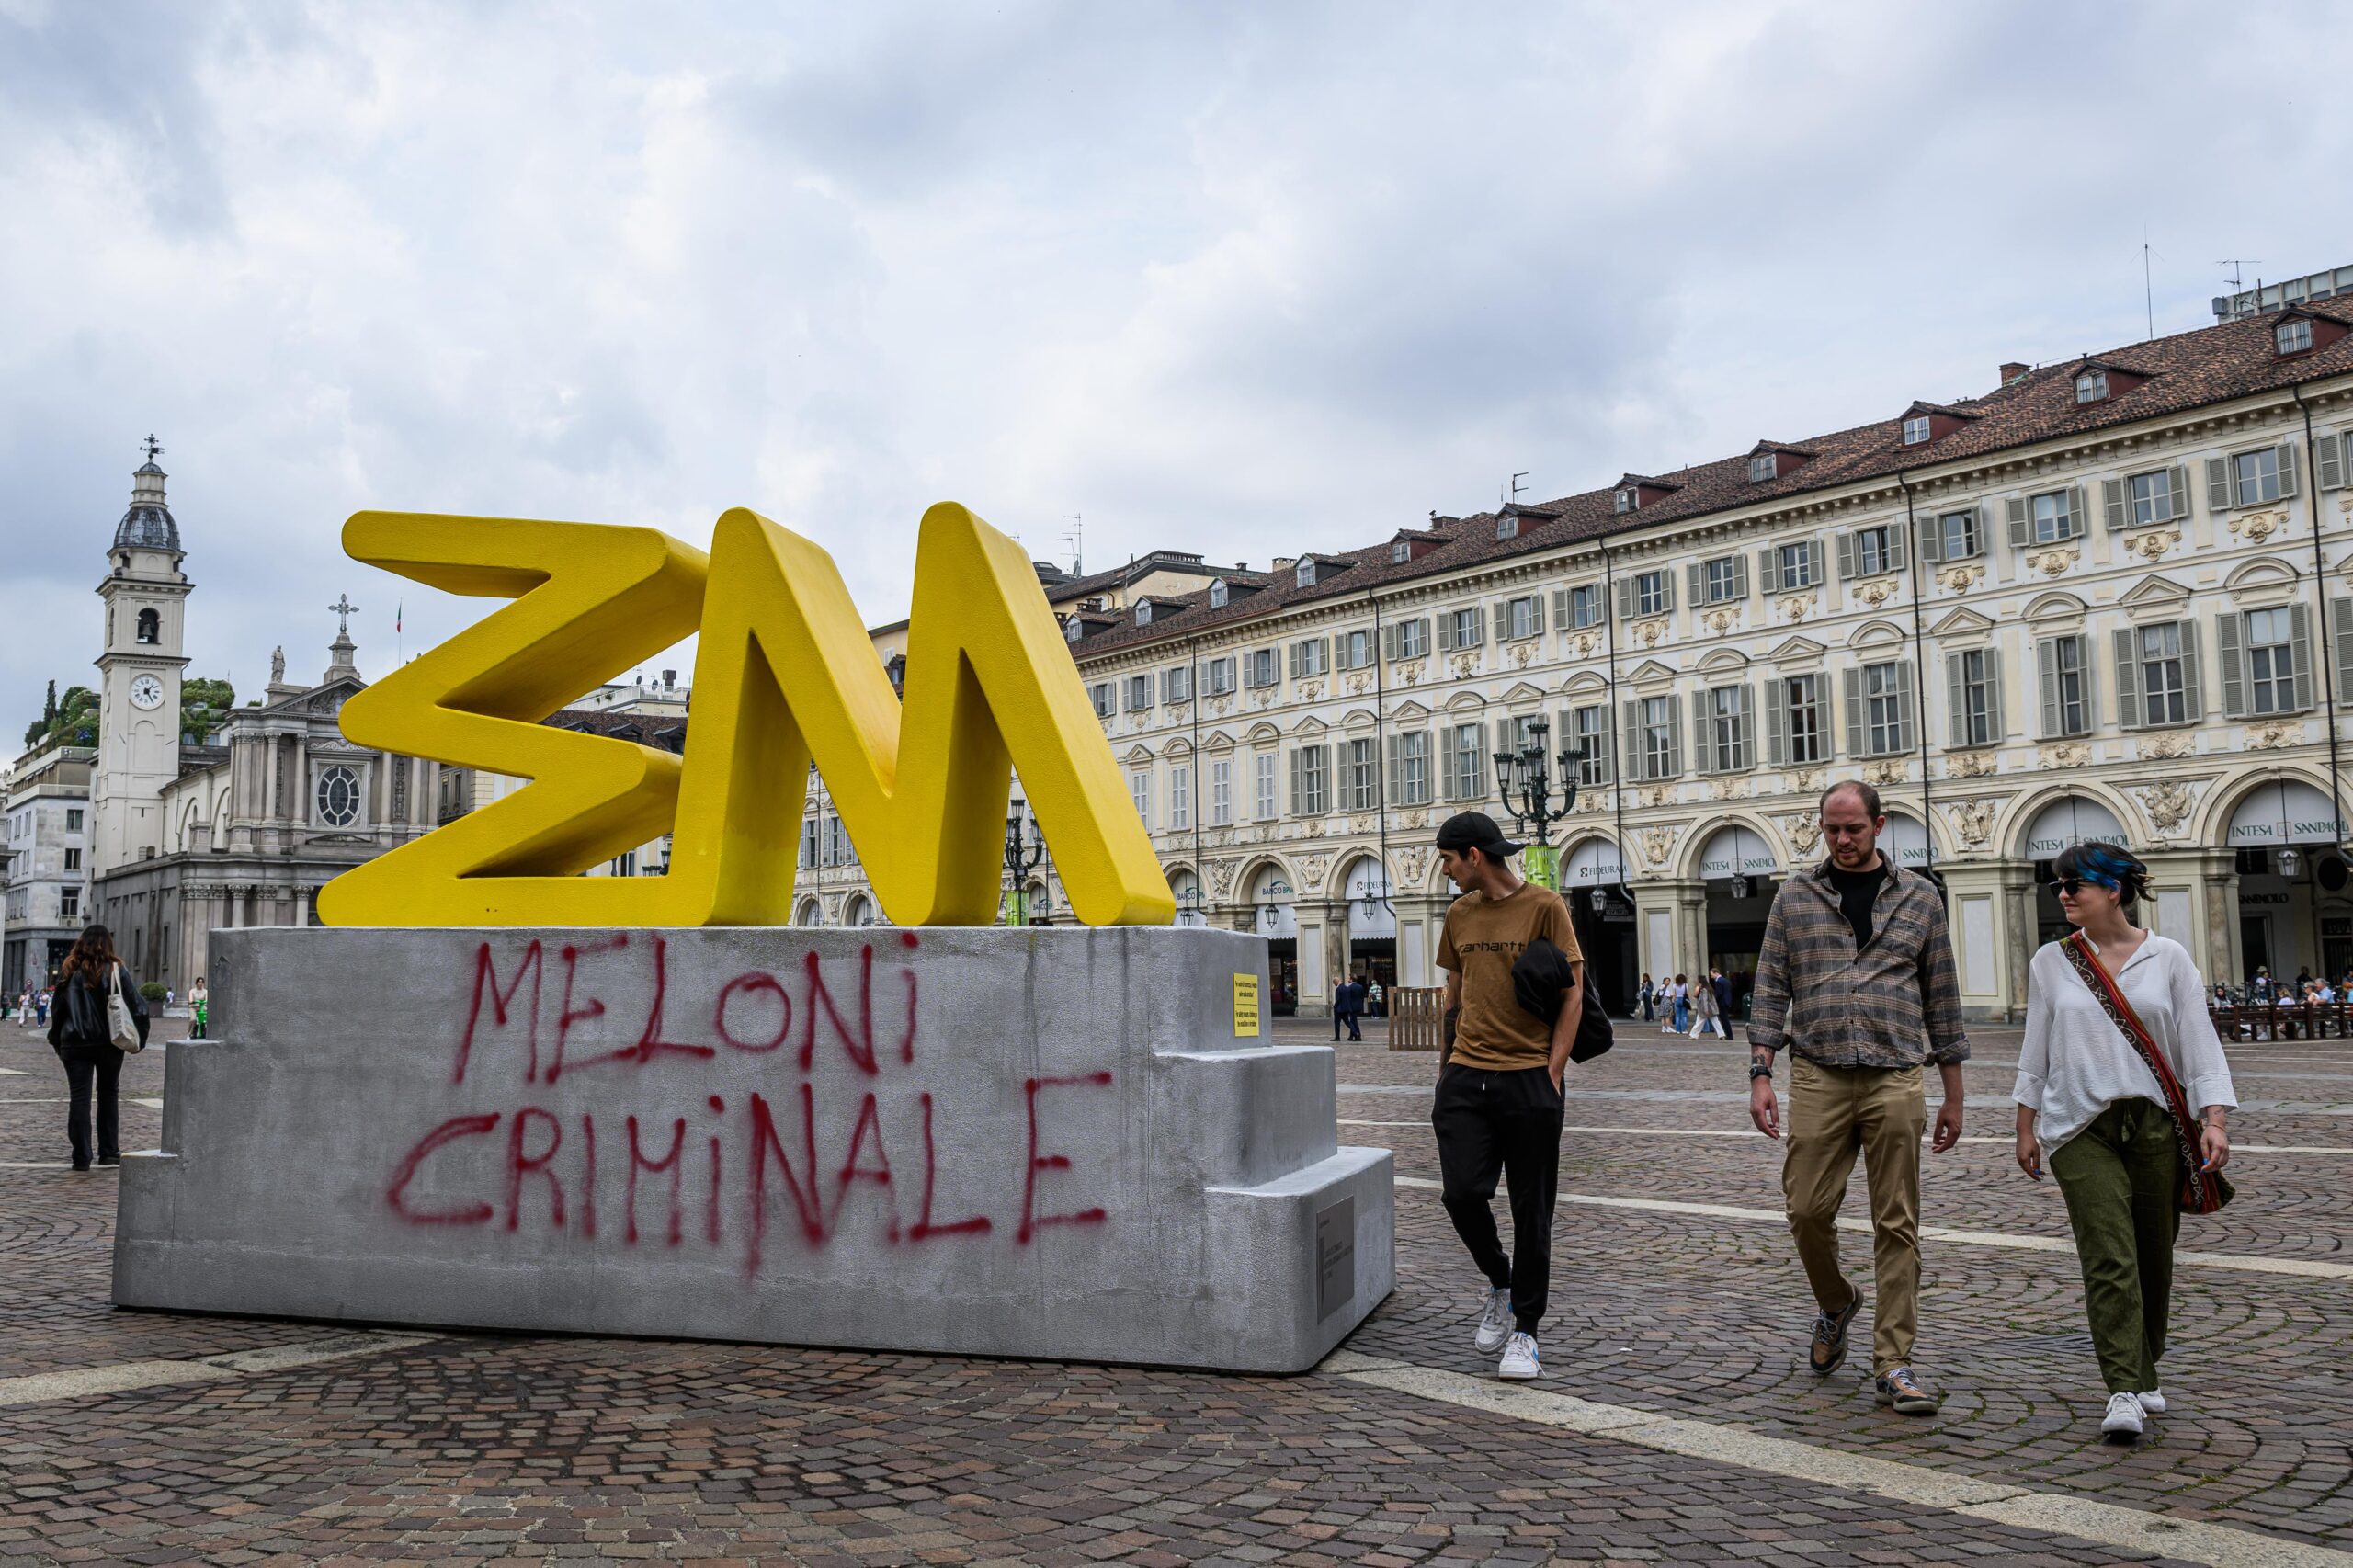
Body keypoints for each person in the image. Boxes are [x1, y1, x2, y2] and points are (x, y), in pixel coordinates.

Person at [1749, 780, 1968, 1416]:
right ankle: (1838, 1301)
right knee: (1806, 1209)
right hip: (1817, 1071)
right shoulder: (1795, 895)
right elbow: (1769, 987)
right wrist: (1761, 1073)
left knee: (1897, 1222)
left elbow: (1943, 1000)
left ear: (1879, 825)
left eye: (1854, 829)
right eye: (1832, 829)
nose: (1842, 841)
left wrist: (1953, 1095)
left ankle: (1894, 1363)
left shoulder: (1921, 897)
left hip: (1896, 1072)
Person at [2015, 843, 2234, 1442]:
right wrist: (2025, 1122)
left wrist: (2213, 1118)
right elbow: (2036, 1045)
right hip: (2079, 1128)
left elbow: (2198, 1041)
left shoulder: (2168, 958)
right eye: (2057, 883)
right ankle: (2122, 1388)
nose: (2062, 893)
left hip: (2156, 1125)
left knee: (2152, 1254)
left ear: (2114, 890)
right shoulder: (2051, 962)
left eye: (2075, 883)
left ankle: (2145, 1364)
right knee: (2109, 1252)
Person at [1430, 810, 1583, 1381]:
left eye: (1448, 859)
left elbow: (1573, 993)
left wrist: (1553, 1071)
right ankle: (1501, 1281)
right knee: (1461, 1194)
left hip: (1528, 1078)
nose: (1444, 871)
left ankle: (1526, 1331)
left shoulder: (1544, 906)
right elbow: (1454, 991)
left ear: (1474, 855)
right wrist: (1444, 1070)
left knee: (1530, 1209)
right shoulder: (1459, 913)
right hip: (1467, 1074)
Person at [45, 925, 148, 1171]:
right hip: (109, 1043)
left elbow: (57, 1010)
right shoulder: (116, 970)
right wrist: (139, 1041)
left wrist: (56, 1040)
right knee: (108, 1094)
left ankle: (81, 1156)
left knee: (79, 1098)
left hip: (74, 1043)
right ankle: (109, 1151)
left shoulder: (69, 970)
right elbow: (139, 1007)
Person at [1688, 967, 1725, 1039]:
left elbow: (1705, 1000)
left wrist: (1705, 1010)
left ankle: (1694, 1035)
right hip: (1712, 1008)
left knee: (1699, 1023)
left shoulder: (1704, 990)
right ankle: (1722, 1035)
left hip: (1705, 1009)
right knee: (1716, 1022)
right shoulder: (1709, 988)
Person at [1333, 975, 1365, 1042]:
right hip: (1355, 1007)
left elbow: (1341, 999)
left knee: (1353, 1021)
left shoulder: (1348, 987)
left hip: (1348, 1007)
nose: (1348, 980)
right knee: (1351, 1022)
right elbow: (1362, 997)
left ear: (1351, 979)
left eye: (1349, 978)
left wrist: (1335, 1006)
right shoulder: (1360, 987)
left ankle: (1357, 1035)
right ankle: (1353, 1035)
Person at [189, 976, 210, 1040]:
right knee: (193, 1020)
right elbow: (190, 1000)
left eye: (202, 982)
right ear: (196, 983)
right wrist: (192, 1001)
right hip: (194, 1007)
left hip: (202, 1007)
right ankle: (190, 1033)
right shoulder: (192, 991)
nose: (201, 983)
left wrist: (206, 1002)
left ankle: (205, 1032)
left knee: (206, 1019)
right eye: (199, 981)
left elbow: (206, 1000)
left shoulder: (206, 991)